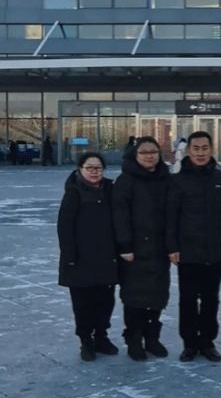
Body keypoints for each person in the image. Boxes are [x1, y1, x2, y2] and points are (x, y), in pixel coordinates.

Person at [167, 131, 221, 363]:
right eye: (196, 148)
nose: (200, 153)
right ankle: (190, 344)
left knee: (212, 299)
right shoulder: (177, 180)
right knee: (188, 300)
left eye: (205, 148)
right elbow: (171, 218)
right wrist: (172, 247)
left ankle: (208, 342)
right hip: (188, 251)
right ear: (189, 151)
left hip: (215, 250)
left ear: (211, 150)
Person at [112, 136, 173, 361]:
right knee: (135, 297)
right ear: (135, 155)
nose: (149, 156)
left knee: (157, 295)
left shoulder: (166, 179)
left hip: (160, 248)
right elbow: (119, 215)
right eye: (144, 152)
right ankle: (134, 338)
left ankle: (152, 337)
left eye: (153, 152)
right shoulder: (126, 180)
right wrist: (125, 245)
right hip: (134, 250)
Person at [57, 152, 119, 362]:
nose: (94, 172)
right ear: (80, 169)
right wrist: (69, 256)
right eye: (89, 168)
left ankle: (101, 336)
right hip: (80, 259)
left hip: (106, 257)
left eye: (98, 168)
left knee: (105, 301)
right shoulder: (74, 192)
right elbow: (65, 227)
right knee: (83, 304)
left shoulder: (110, 190)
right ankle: (86, 341)